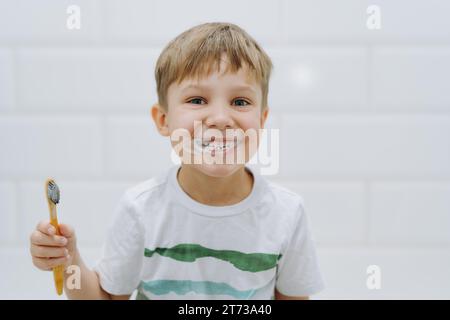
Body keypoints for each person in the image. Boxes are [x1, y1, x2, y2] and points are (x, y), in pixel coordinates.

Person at [29, 22, 325, 300]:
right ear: (163, 120)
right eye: (197, 100)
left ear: (261, 120)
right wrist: (68, 262)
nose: (221, 119)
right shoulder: (141, 209)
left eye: (240, 102)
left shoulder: (287, 213)